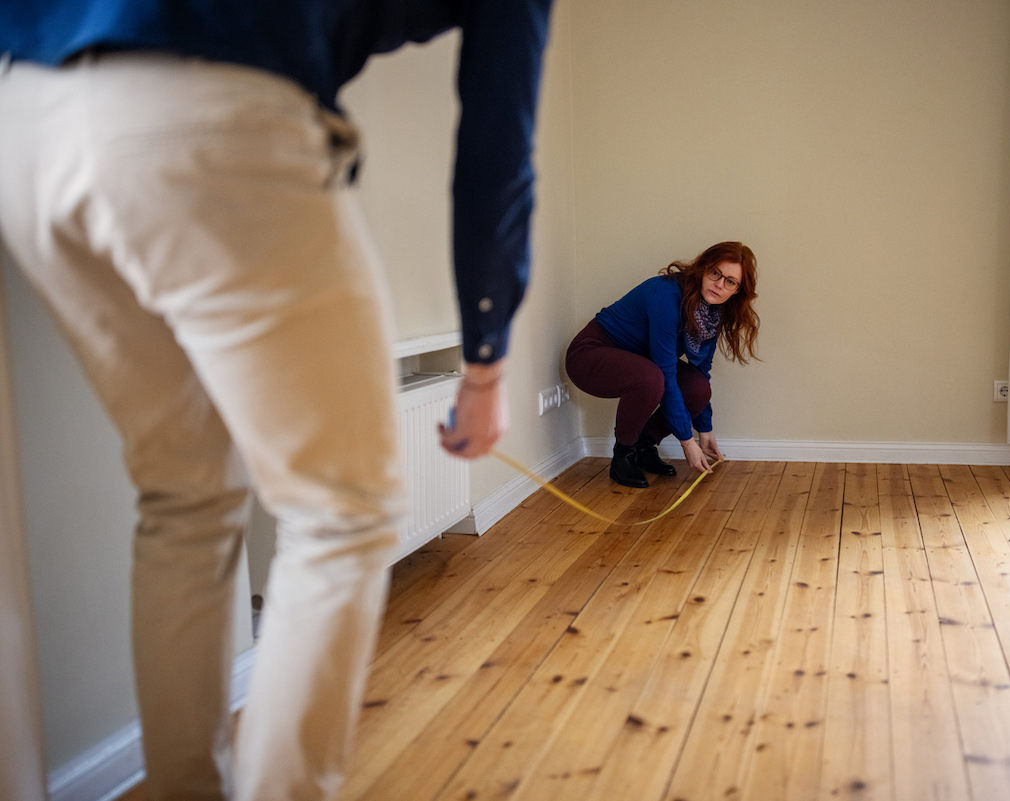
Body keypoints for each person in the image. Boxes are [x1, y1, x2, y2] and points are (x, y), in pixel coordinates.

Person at [0, 1, 552, 798]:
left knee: (182, 498)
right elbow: (499, 150)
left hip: (24, 123)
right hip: (205, 107)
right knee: (343, 509)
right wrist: (487, 367)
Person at [565, 242, 760, 488]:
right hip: (590, 355)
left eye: (730, 282)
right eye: (716, 273)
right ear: (703, 269)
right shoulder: (668, 296)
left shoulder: (712, 315)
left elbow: (701, 370)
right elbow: (665, 372)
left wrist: (704, 429)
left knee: (698, 387)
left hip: (644, 364)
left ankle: (644, 446)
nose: (720, 285)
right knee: (651, 377)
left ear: (738, 290)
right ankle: (623, 456)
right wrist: (687, 442)